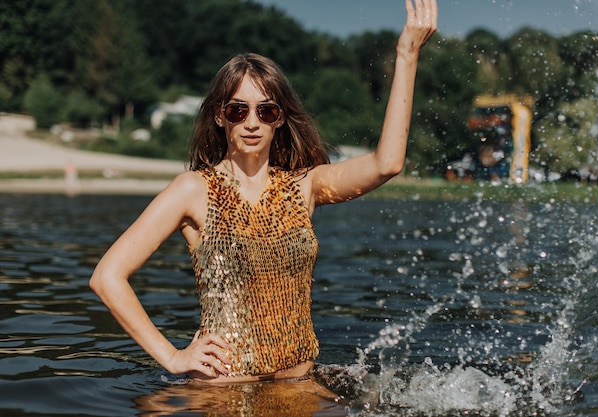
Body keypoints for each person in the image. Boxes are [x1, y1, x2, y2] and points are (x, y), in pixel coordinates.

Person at [90, 0, 437, 386]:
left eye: (266, 111)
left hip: (299, 384)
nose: (252, 122)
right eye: (238, 111)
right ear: (220, 116)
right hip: (225, 388)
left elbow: (386, 164)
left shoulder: (304, 186)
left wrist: (406, 55)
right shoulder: (193, 189)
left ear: (281, 117)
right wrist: (173, 356)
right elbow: (107, 277)